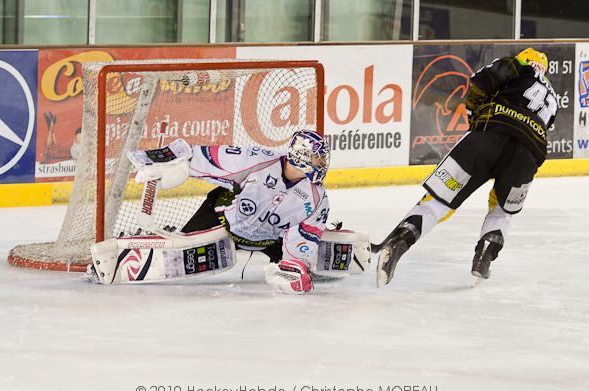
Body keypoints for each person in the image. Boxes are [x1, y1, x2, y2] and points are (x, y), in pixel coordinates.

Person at [377, 47, 558, 286]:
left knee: (439, 202)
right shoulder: (553, 98)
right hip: (525, 158)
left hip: (486, 140)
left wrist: (474, 112)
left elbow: (481, 81)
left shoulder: (516, 66)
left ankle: (400, 241)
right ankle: (484, 257)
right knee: (503, 211)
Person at [134, 130, 331, 294]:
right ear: (301, 155)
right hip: (223, 219)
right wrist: (170, 161)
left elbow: (305, 233)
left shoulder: (316, 197)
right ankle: (146, 249)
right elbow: (204, 156)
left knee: (310, 265)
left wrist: (294, 266)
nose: (323, 163)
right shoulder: (257, 161)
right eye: (318, 157)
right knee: (176, 255)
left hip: (269, 238)